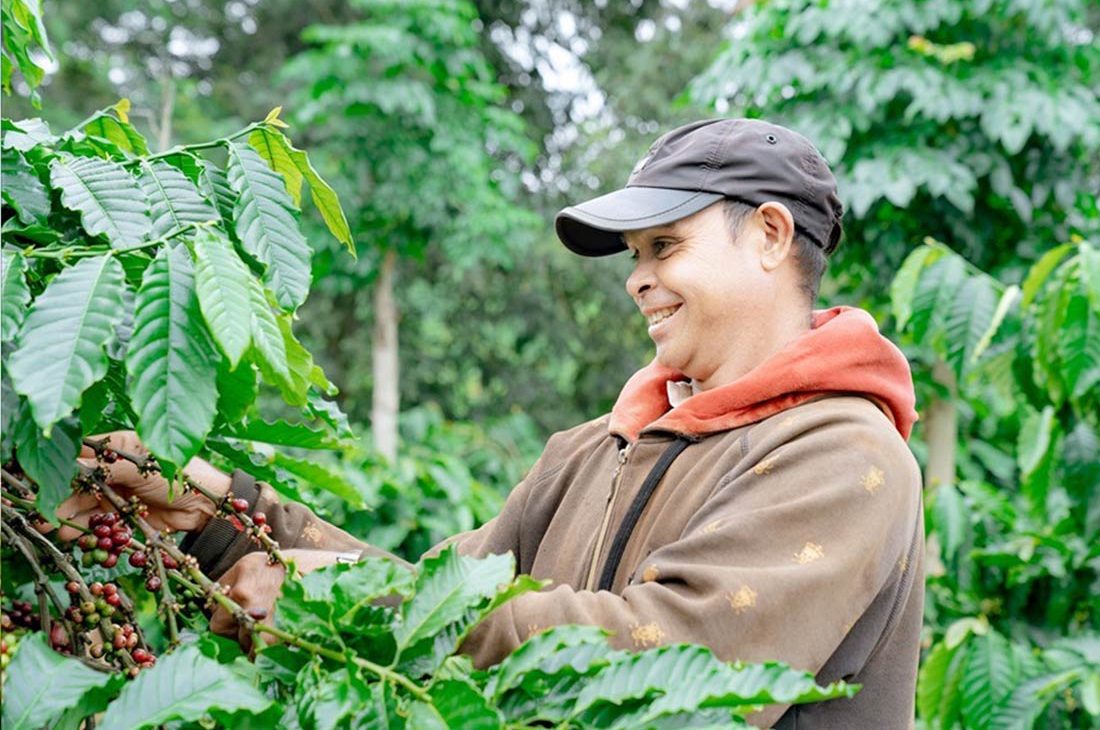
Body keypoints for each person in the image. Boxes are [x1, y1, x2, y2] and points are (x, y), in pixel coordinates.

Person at [58, 119, 924, 729]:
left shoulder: (845, 457)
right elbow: (440, 590)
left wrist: (342, 594)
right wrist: (219, 510)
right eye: (635, 257)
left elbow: (669, 668)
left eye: (666, 246)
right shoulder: (593, 449)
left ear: (769, 236)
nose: (637, 279)